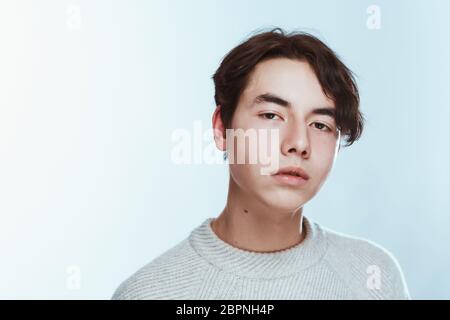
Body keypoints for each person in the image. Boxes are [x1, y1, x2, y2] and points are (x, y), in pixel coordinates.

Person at [112, 27, 410, 300]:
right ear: (221, 129)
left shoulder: (373, 275)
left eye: (320, 125)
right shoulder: (150, 292)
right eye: (271, 116)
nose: (299, 143)